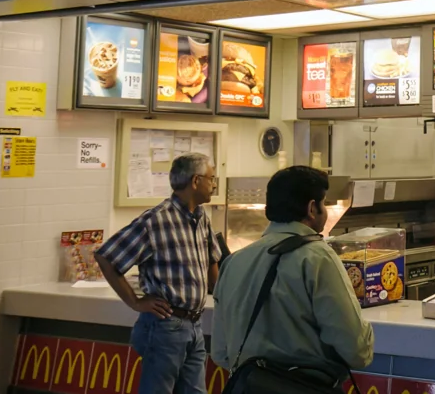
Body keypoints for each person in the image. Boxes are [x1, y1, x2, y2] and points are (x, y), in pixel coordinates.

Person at [212, 166, 373, 381]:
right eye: (323, 203)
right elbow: (356, 350)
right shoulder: (318, 258)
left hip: (249, 386)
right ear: (311, 208)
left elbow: (221, 353)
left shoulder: (233, 262)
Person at [95, 154, 221, 394]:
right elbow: (106, 257)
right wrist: (135, 302)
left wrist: (224, 297)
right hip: (166, 327)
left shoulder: (201, 217)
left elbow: (212, 259)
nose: (214, 185)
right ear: (196, 181)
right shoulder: (155, 221)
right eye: (211, 179)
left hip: (194, 324)